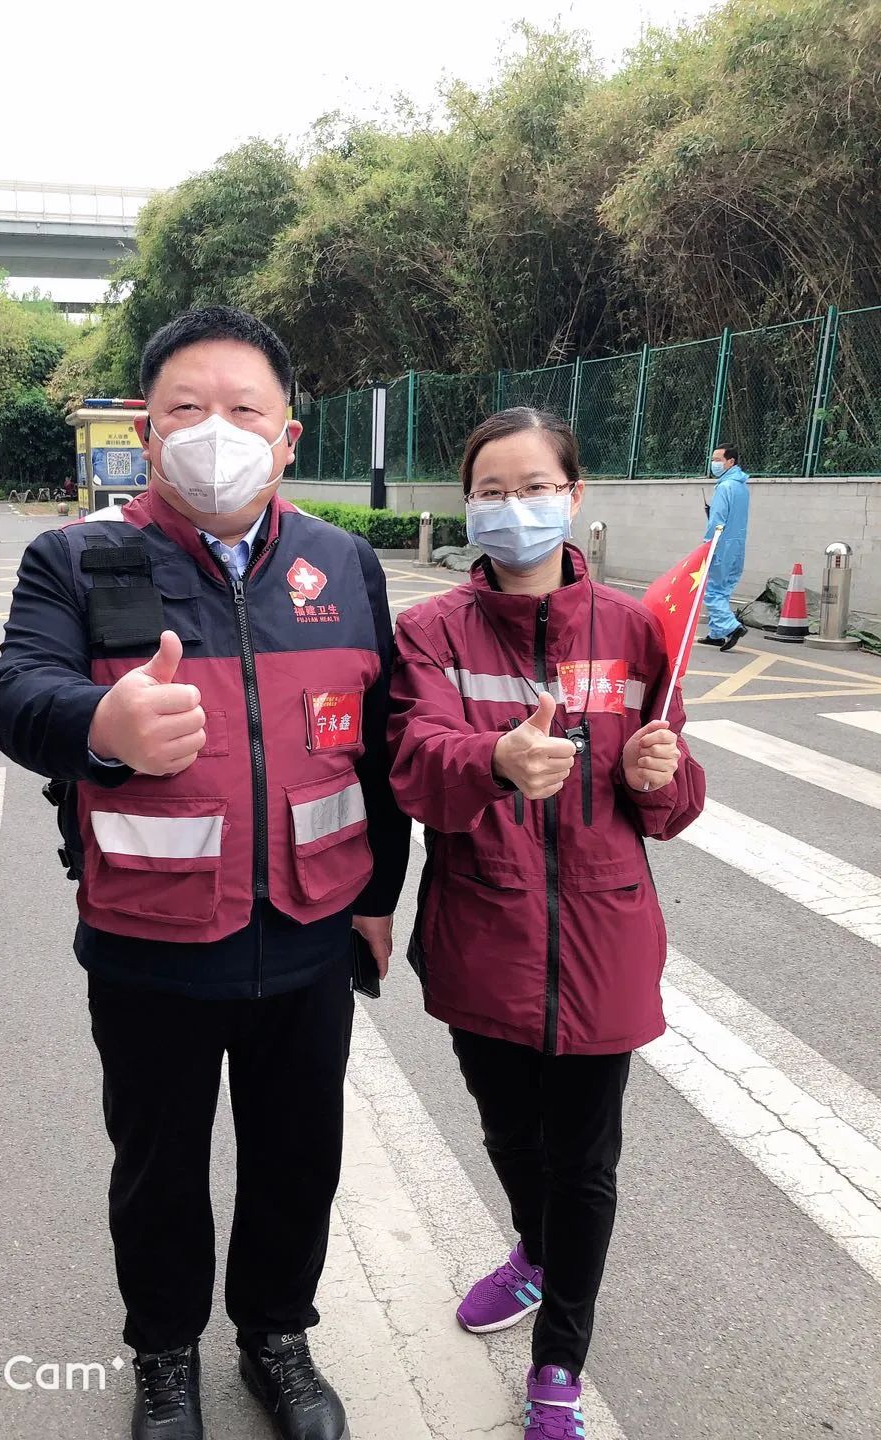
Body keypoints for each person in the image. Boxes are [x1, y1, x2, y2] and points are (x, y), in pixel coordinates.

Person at [0, 306, 409, 1440]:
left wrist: (377, 897)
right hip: (150, 940)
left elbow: (383, 746)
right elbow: (13, 692)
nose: (212, 431)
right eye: (184, 409)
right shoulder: (78, 556)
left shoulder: (342, 562)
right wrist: (99, 721)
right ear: (146, 426)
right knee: (159, 1170)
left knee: (298, 1156)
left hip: (310, 931)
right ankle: (165, 1355)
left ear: (289, 436)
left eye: (242, 410)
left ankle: (277, 1336)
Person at [387, 407, 705, 1439]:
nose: (511, 507)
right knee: (509, 1134)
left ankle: (560, 1362)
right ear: (466, 502)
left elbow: (673, 795)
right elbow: (412, 765)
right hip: (485, 934)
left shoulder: (635, 630)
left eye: (533, 487)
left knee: (586, 1162)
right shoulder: (429, 633)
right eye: (490, 489)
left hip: (605, 941)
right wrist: (492, 762)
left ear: (574, 496)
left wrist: (663, 776)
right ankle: (533, 1251)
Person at [698, 442, 750, 652]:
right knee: (723, 589)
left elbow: (718, 520)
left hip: (721, 544)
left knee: (711, 590)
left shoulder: (724, 487)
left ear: (731, 461)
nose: (714, 464)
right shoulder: (741, 487)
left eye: (718, 460)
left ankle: (731, 627)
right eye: (713, 460)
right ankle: (717, 633)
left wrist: (708, 544)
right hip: (737, 545)